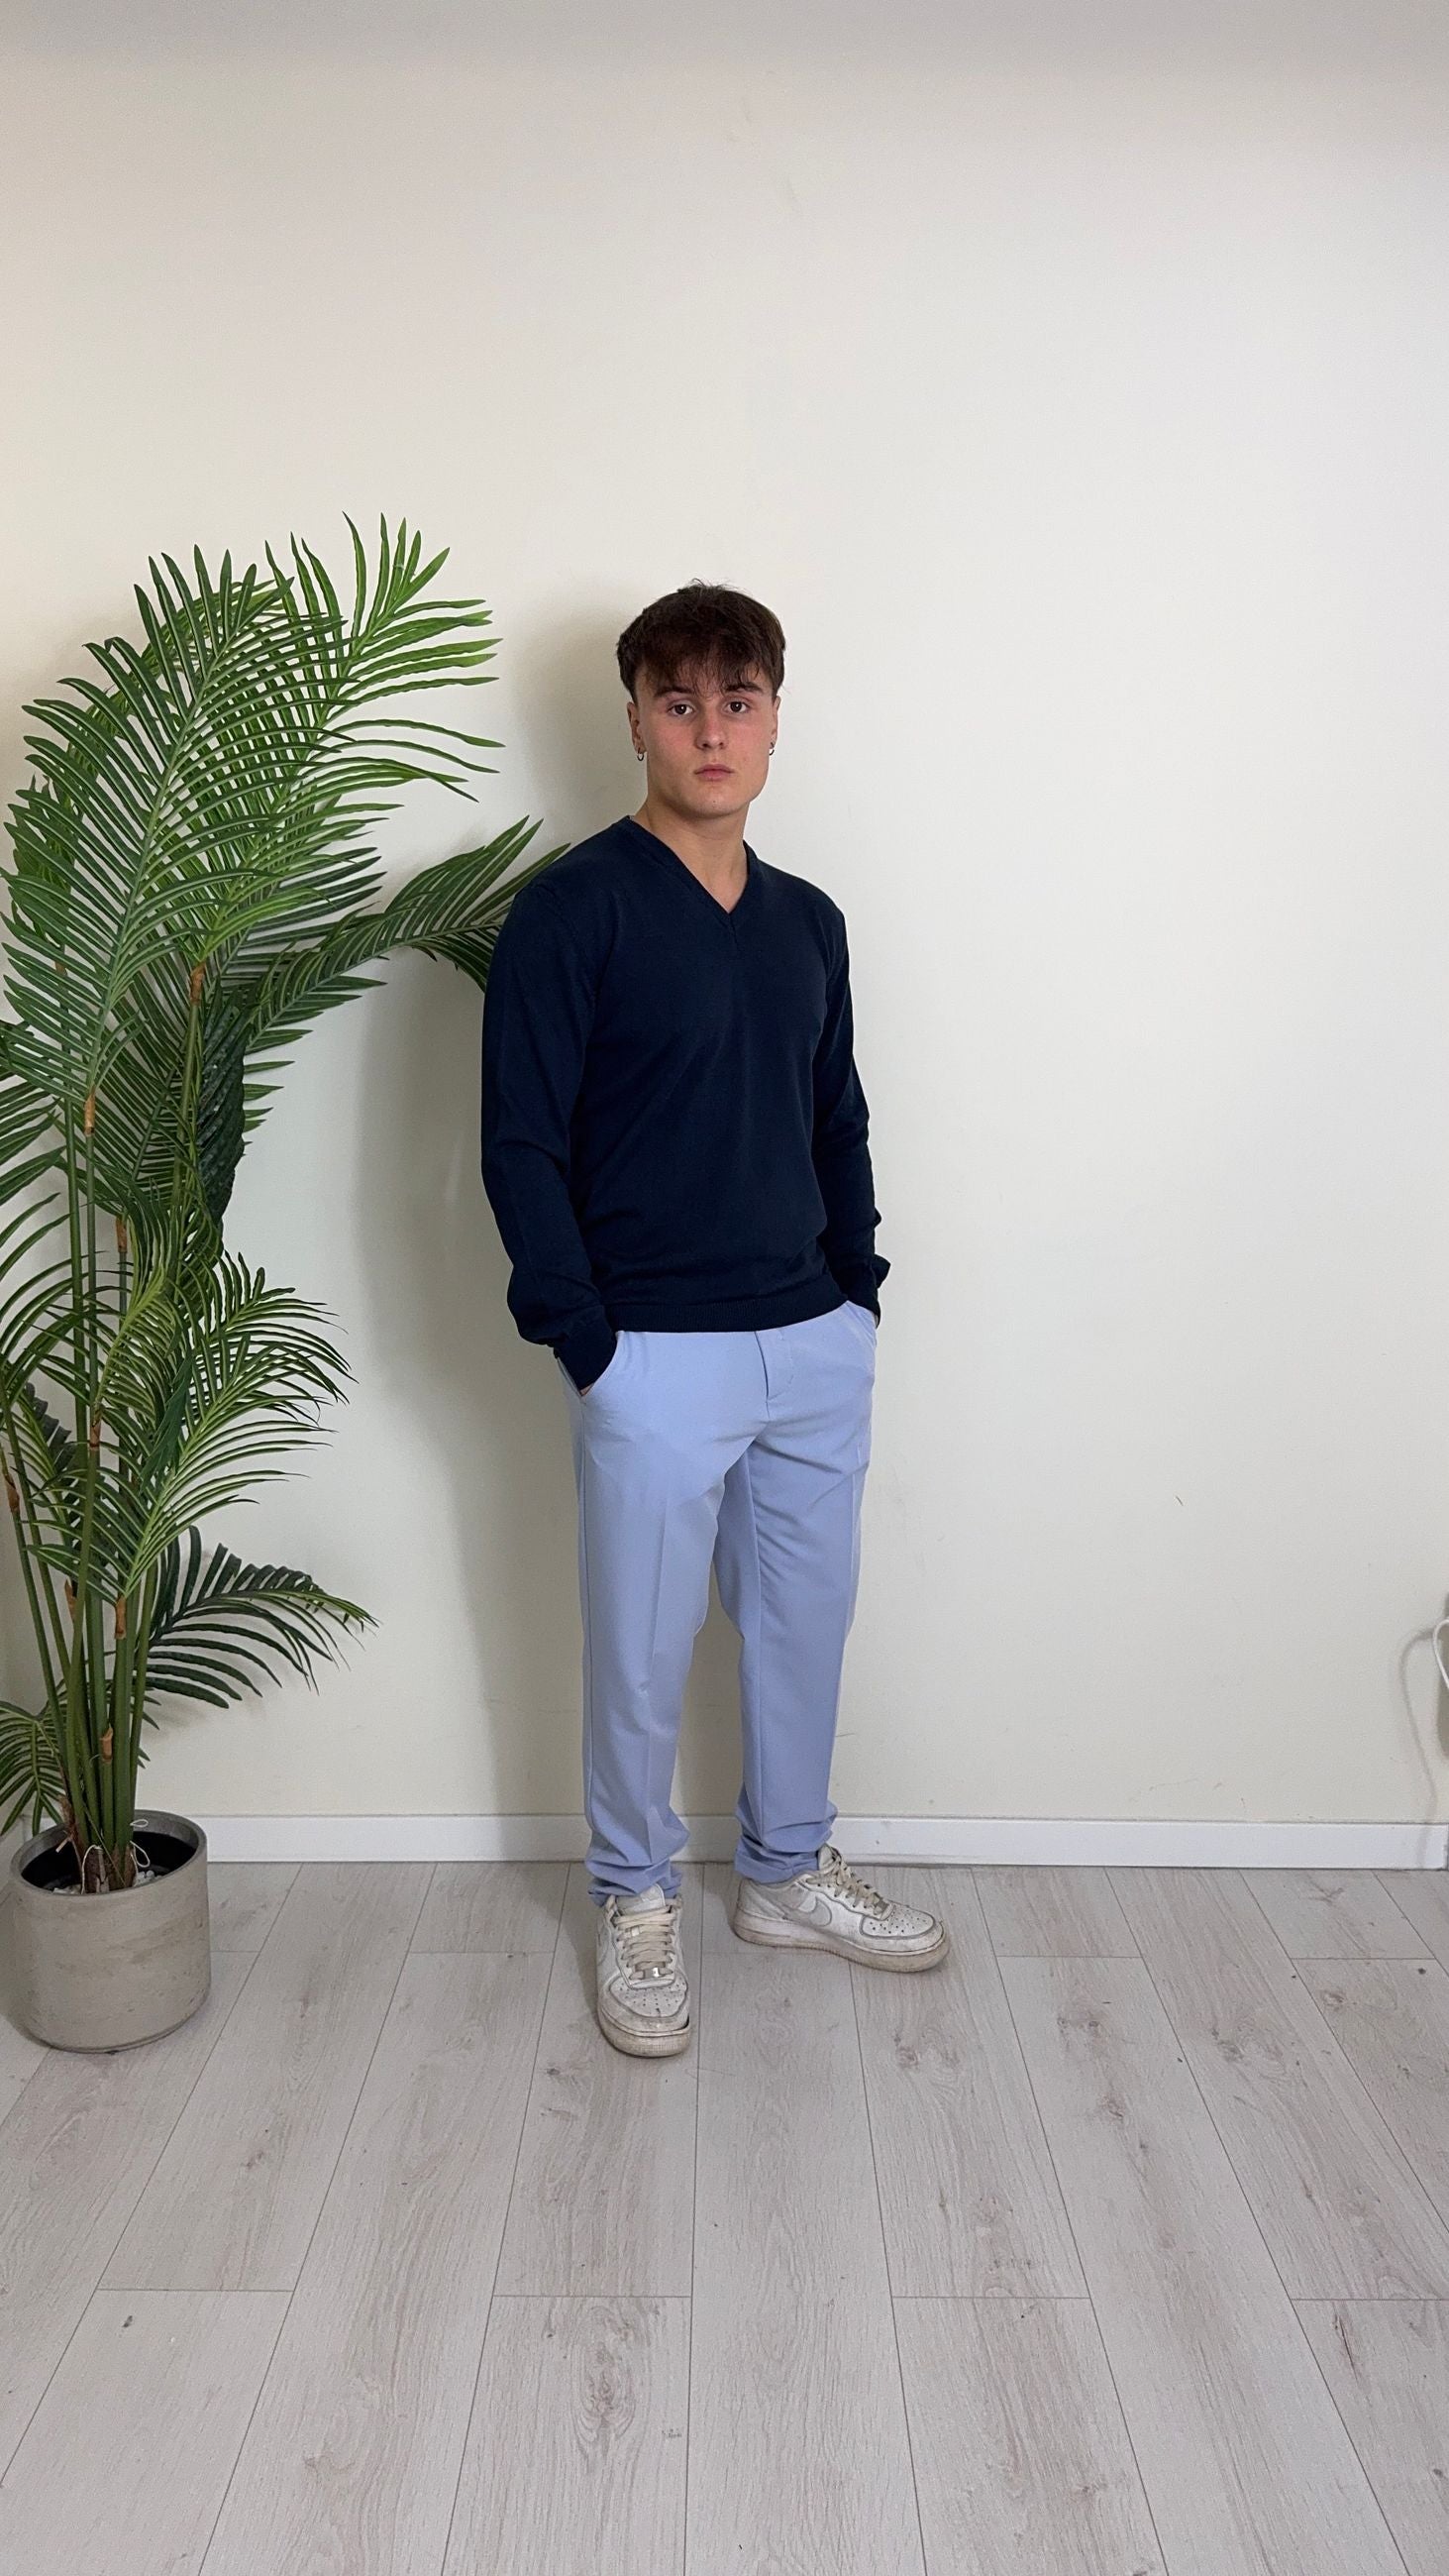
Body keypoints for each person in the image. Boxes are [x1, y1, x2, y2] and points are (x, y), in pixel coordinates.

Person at [480, 581, 948, 2057]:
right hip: (650, 1354)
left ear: (774, 719)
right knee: (638, 1649)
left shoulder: (810, 921)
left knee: (804, 1628)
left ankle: (786, 1871)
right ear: (634, 719)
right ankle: (635, 1897)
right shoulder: (573, 910)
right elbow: (519, 1141)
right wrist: (587, 1340)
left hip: (811, 1338)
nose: (710, 731)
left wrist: (856, 1293)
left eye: (737, 702)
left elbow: (837, 1118)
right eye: (678, 702)